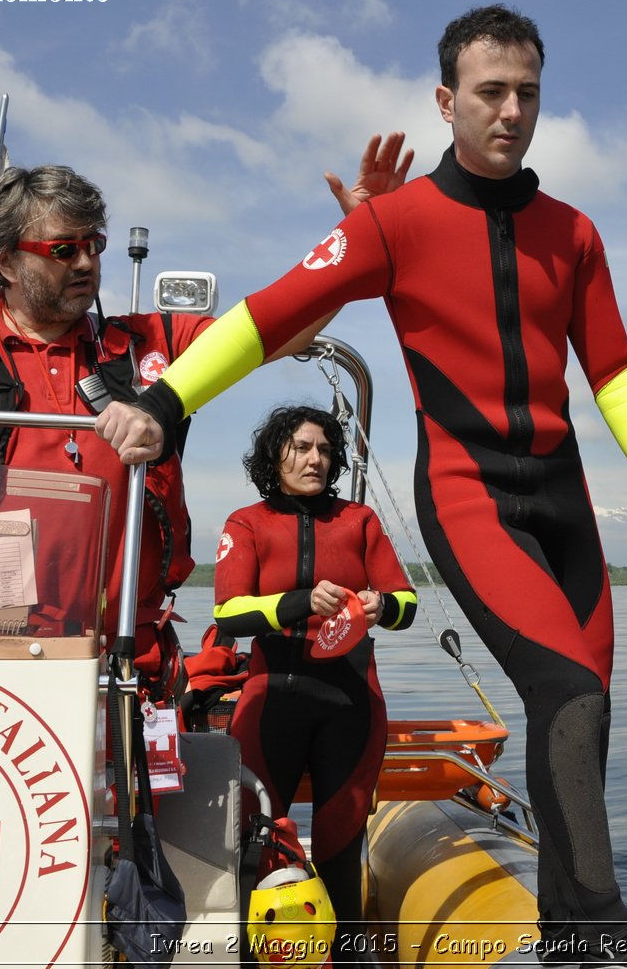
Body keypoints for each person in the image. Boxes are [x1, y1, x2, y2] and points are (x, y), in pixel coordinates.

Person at [98, 5, 627, 968]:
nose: (512, 112)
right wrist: (166, 400)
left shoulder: (574, 232)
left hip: (564, 498)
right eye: (490, 92)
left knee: (587, 706)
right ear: (446, 101)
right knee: (567, 684)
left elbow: (615, 369)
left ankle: (566, 921)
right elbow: (269, 313)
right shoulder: (397, 222)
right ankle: (594, 926)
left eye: (529, 94)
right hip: (469, 489)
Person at [0, 138, 412, 638]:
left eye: (94, 244)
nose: (87, 263)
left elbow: (283, 329)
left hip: (126, 650)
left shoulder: (154, 343)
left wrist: (361, 238)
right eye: (62, 250)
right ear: (5, 260)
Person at [214, 403, 417, 967]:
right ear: (275, 453)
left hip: (348, 697)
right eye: (302, 447)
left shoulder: (359, 521)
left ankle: (347, 959)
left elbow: (407, 602)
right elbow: (229, 614)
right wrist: (300, 603)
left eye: (325, 449)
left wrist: (381, 604)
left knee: (341, 845)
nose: (315, 459)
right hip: (272, 694)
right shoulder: (246, 522)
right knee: (259, 843)